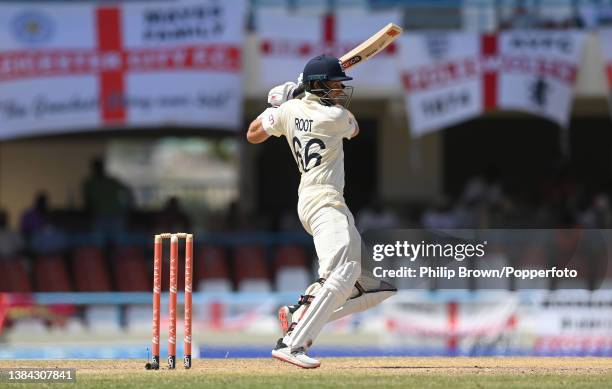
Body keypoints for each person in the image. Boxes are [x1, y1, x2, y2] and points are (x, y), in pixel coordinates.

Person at [247, 54, 396, 368]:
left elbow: (253, 134)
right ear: (317, 86)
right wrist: (293, 100)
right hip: (325, 202)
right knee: (340, 274)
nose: (340, 90)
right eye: (334, 84)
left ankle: (298, 314)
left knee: (370, 285)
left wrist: (278, 105)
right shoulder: (336, 117)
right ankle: (292, 343)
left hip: (314, 200)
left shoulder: (290, 111)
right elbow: (354, 129)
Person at [82, 158, 133, 241]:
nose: (98, 169)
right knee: (98, 242)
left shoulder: (112, 181)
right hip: (99, 216)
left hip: (116, 216)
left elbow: (128, 192)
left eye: (100, 167)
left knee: (119, 242)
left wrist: (127, 208)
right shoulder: (89, 183)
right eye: (97, 167)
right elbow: (87, 201)